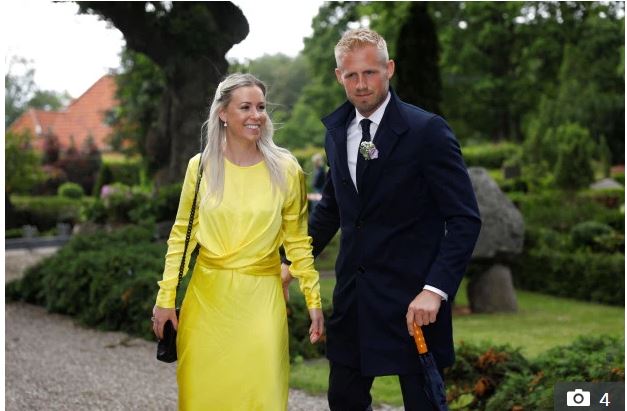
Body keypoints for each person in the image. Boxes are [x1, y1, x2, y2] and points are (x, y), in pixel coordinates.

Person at [282, 28, 481, 410]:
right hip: (354, 299)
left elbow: (464, 219)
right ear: (338, 76)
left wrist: (435, 290)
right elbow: (333, 208)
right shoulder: (336, 133)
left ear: (389, 69)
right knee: (343, 400)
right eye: (351, 75)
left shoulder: (427, 131)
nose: (361, 84)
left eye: (370, 72)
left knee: (424, 404)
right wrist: (290, 260)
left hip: (415, 302)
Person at [152, 73, 324, 411]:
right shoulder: (200, 167)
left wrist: (313, 299)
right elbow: (181, 237)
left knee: (261, 395)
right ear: (223, 113)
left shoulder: (287, 169)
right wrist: (165, 298)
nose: (256, 115)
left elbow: (298, 241)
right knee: (203, 398)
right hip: (206, 301)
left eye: (261, 107)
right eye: (245, 107)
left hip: (262, 300)